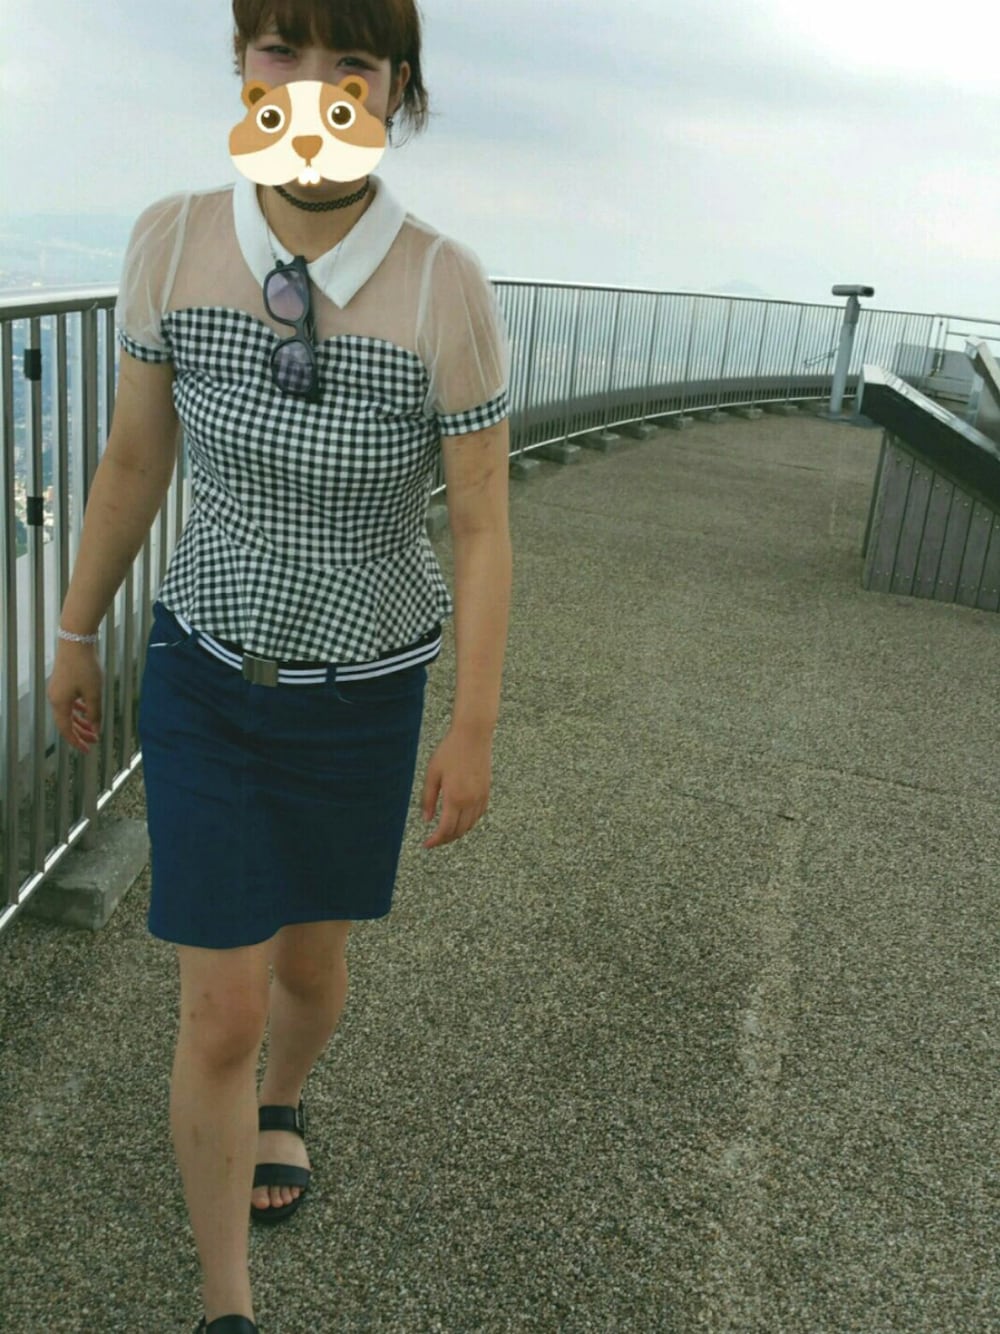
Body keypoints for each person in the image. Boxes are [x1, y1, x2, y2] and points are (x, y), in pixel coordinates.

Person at [46, 2, 512, 1331]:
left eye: (350, 63)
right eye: (280, 52)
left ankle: (286, 1100)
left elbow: (481, 521)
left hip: (364, 697)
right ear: (243, 70)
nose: (313, 87)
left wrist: (473, 722)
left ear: (397, 91)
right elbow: (136, 456)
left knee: (308, 975)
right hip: (205, 671)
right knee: (222, 1012)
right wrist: (76, 629)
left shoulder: (444, 285)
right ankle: (227, 1303)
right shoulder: (172, 241)